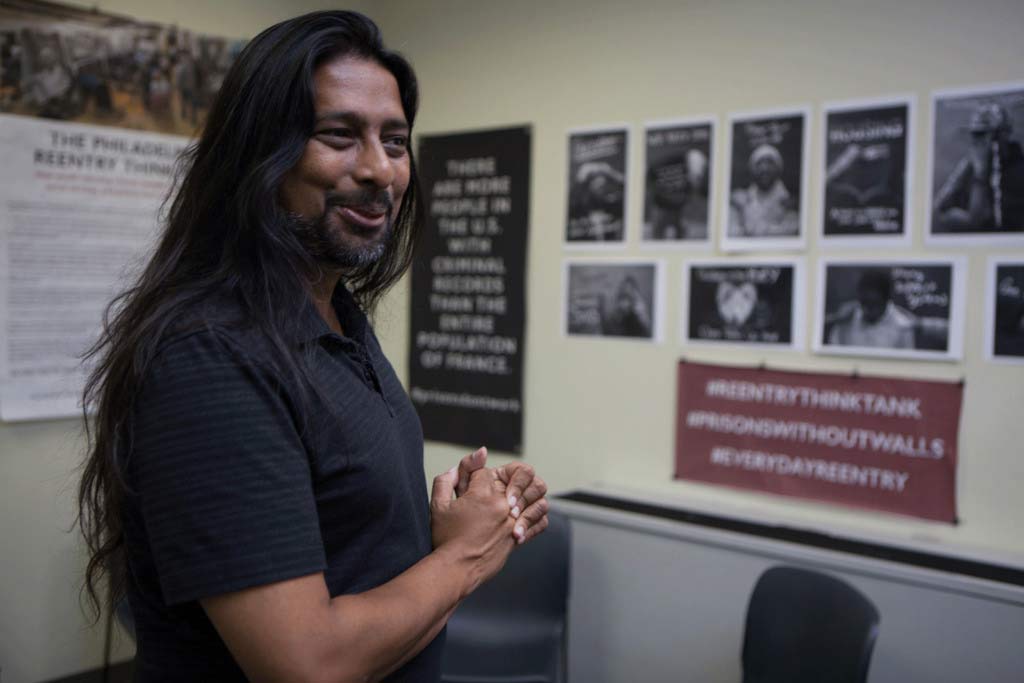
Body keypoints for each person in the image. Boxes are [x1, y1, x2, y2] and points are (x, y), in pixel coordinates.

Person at [76, 12, 549, 682]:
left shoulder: (337, 317)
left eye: (396, 141)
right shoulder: (209, 354)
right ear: (258, 152)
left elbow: (347, 537)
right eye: (339, 135)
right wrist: (467, 556)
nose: (379, 169)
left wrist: (441, 526)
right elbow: (307, 663)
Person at [933, 102, 1024, 232]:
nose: (976, 141)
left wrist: (981, 174)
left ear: (1003, 135)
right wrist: (974, 169)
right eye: (975, 134)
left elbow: (979, 220)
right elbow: (939, 209)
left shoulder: (1018, 171)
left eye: (982, 134)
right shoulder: (970, 164)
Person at [827, 269, 915, 349]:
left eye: (873, 304)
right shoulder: (845, 319)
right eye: (864, 303)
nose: (866, 310)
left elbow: (906, 364)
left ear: (886, 300)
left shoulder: (902, 326)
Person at [728, 143, 799, 237]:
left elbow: (790, 232)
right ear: (752, 169)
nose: (764, 168)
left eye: (770, 163)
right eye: (759, 163)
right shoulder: (740, 200)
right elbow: (732, 233)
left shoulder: (789, 202)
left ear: (778, 168)